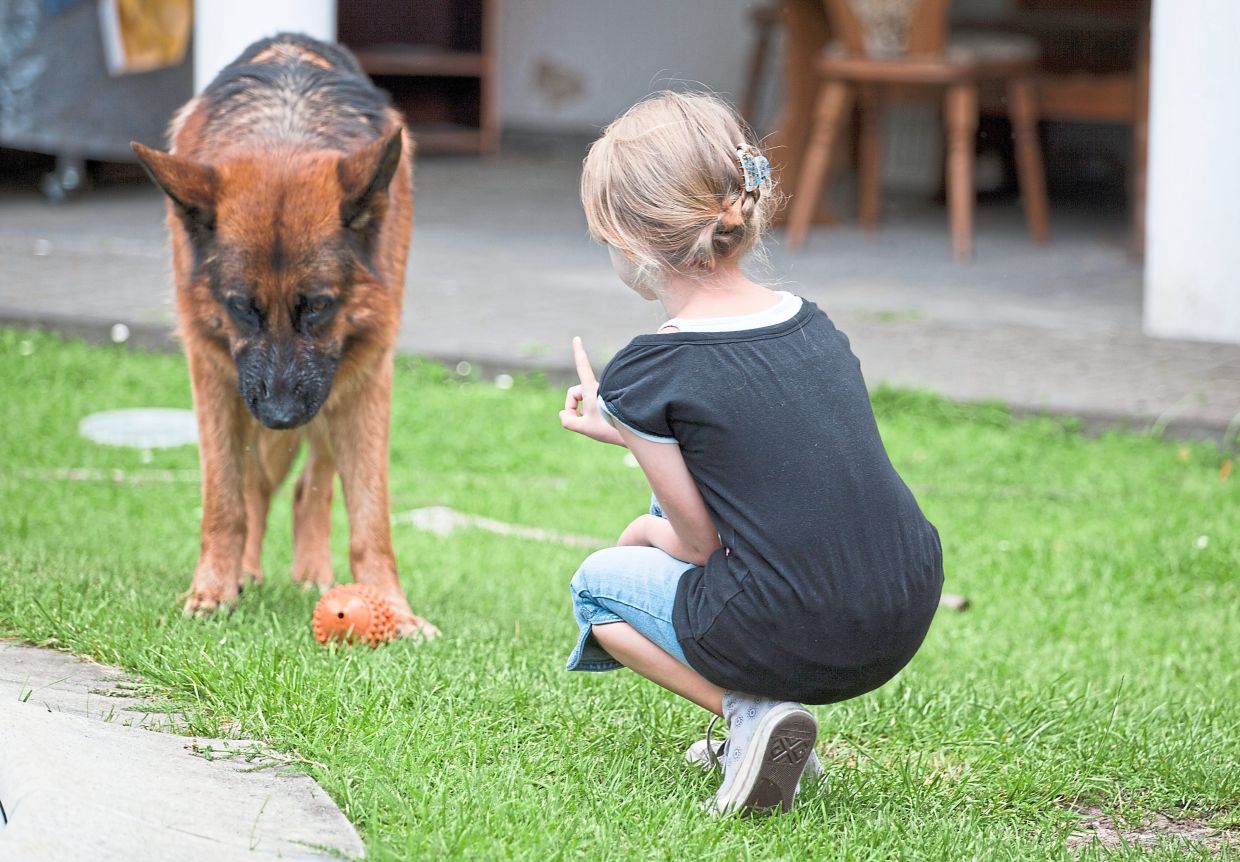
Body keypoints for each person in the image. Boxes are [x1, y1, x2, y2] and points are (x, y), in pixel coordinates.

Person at [559, 91, 944, 816]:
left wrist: (641, 536)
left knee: (595, 589)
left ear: (632, 245)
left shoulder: (649, 368)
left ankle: (751, 717)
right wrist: (625, 429)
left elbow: (700, 542)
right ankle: (769, 719)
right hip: (902, 603)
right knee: (683, 503)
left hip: (794, 621)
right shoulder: (808, 320)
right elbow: (770, 451)